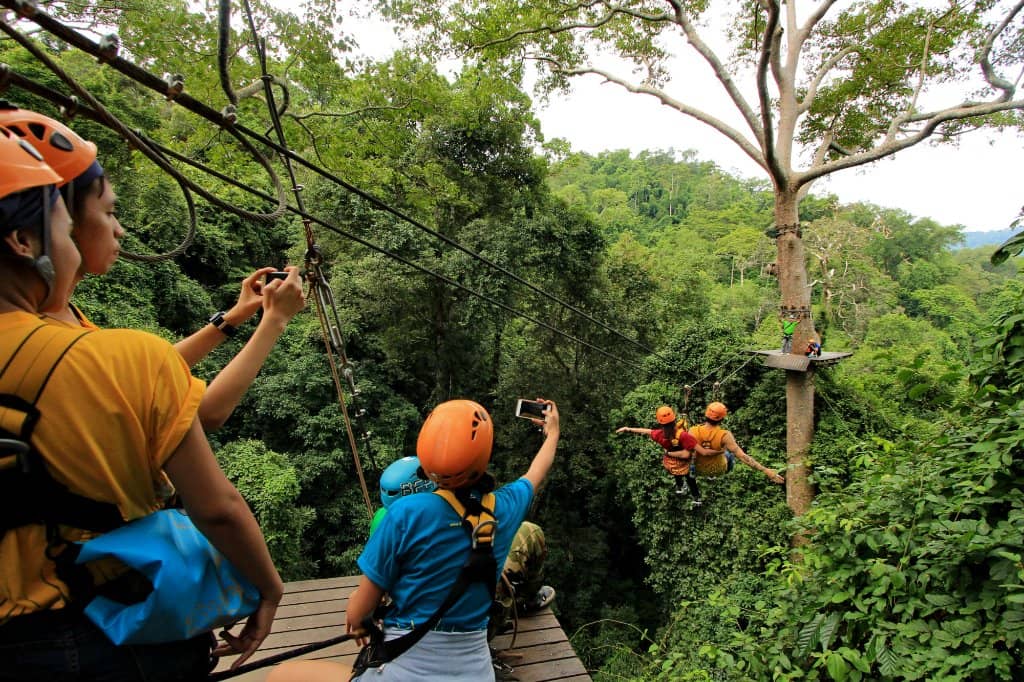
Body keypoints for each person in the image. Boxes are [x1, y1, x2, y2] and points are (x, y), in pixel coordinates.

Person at [0, 128, 282, 679]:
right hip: (99, 629)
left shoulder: (81, 343)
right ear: (23, 240)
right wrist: (267, 588)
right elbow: (209, 480)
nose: (117, 228)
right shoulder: (118, 356)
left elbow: (135, 381)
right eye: (90, 216)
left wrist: (233, 319)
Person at [0, 105, 306, 431]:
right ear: (58, 219)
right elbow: (203, 414)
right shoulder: (52, 347)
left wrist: (231, 318)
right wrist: (275, 320)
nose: (119, 229)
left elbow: (143, 374)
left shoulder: (60, 316)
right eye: (108, 213)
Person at [267, 397, 560, 682]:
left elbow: (359, 613)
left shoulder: (405, 514)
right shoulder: (505, 507)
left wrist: (358, 622)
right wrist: (552, 432)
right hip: (476, 670)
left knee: (281, 676)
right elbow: (536, 472)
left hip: (403, 666)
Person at [616, 405, 720, 507]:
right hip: (686, 462)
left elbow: (646, 431)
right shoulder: (684, 436)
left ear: (660, 423)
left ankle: (680, 487)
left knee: (678, 475)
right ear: (674, 420)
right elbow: (686, 454)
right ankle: (696, 496)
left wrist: (628, 429)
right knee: (690, 479)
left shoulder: (660, 435)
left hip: (673, 463)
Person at [689, 402, 786, 485]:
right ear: (722, 419)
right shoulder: (725, 435)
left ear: (705, 415)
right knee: (729, 453)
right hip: (718, 469)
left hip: (699, 469)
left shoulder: (692, 431)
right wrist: (766, 471)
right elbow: (743, 457)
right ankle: (712, 475)